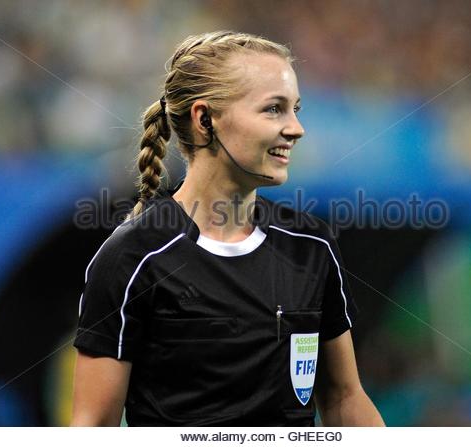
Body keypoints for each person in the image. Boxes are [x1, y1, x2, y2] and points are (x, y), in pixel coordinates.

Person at [70, 30, 384, 427]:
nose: (295, 128)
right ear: (205, 120)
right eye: (273, 109)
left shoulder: (311, 246)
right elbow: (93, 428)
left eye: (296, 109)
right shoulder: (132, 259)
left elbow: (343, 398)